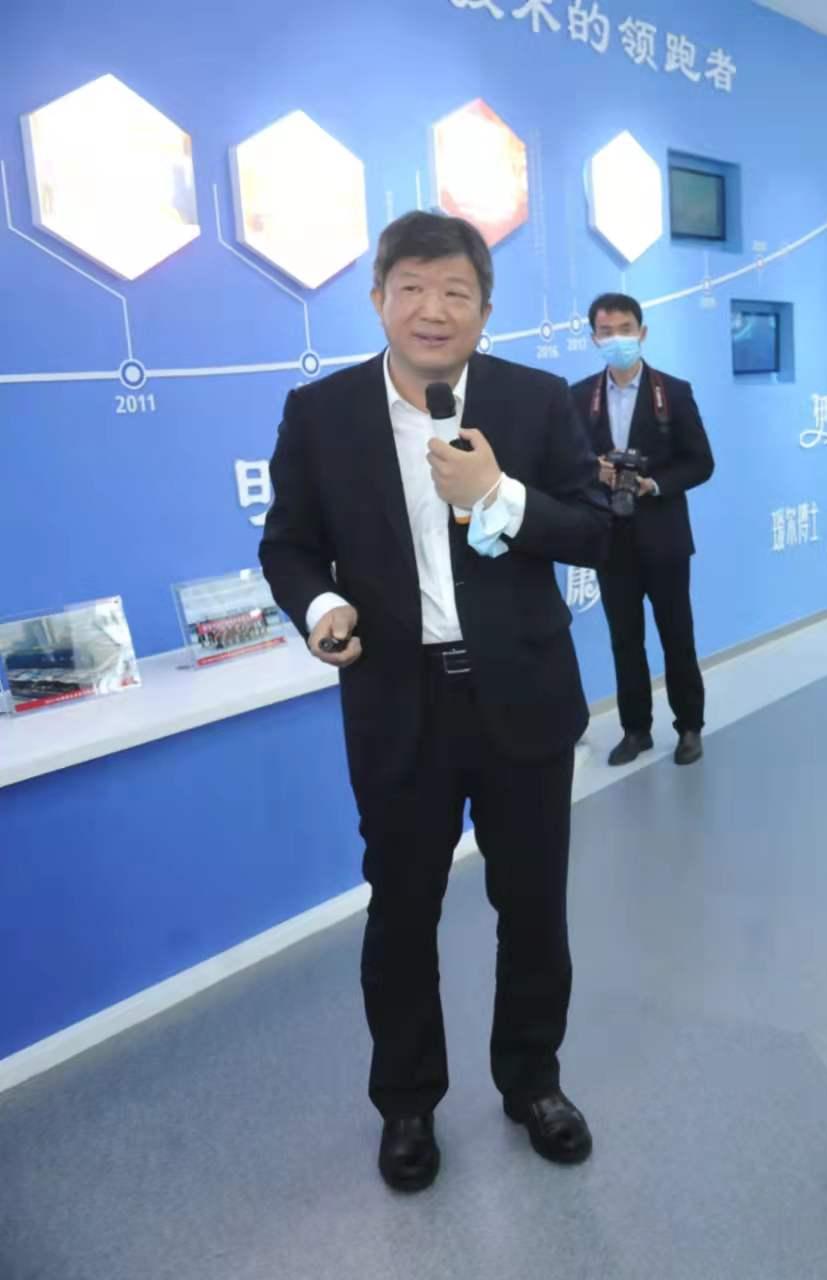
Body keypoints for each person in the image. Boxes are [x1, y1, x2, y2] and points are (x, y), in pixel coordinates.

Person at [259, 211, 609, 1192]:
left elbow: (593, 529)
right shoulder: (321, 413)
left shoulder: (536, 401)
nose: (433, 309)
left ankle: (533, 1082)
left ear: (485, 310)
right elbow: (288, 544)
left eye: (456, 291)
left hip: (522, 698)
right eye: (411, 287)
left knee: (532, 907)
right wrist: (321, 607)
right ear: (378, 299)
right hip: (396, 699)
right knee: (402, 912)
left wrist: (499, 493)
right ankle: (407, 1103)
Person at [570, 293, 714, 768]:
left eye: (625, 329)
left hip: (665, 536)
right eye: (606, 331)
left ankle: (689, 726)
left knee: (677, 635)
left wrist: (655, 484)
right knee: (624, 639)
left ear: (643, 332)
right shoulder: (579, 397)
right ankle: (636, 730)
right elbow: (568, 463)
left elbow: (701, 462)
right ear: (594, 338)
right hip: (611, 539)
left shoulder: (673, 392)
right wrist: (595, 471)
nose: (617, 339)